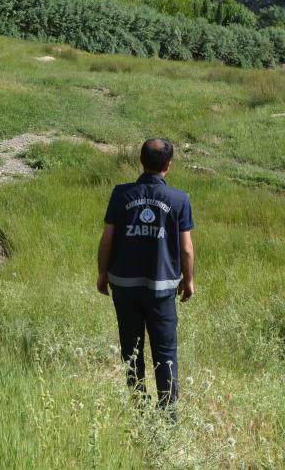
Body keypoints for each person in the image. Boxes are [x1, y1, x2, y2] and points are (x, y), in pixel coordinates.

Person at [97, 138, 195, 406]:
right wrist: (189, 280)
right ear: (168, 165)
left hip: (124, 287)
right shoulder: (179, 199)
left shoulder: (120, 195)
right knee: (165, 353)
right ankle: (167, 414)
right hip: (162, 290)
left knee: (131, 350)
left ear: (141, 161)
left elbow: (107, 239)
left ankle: (138, 406)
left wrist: (102, 273)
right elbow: (186, 249)